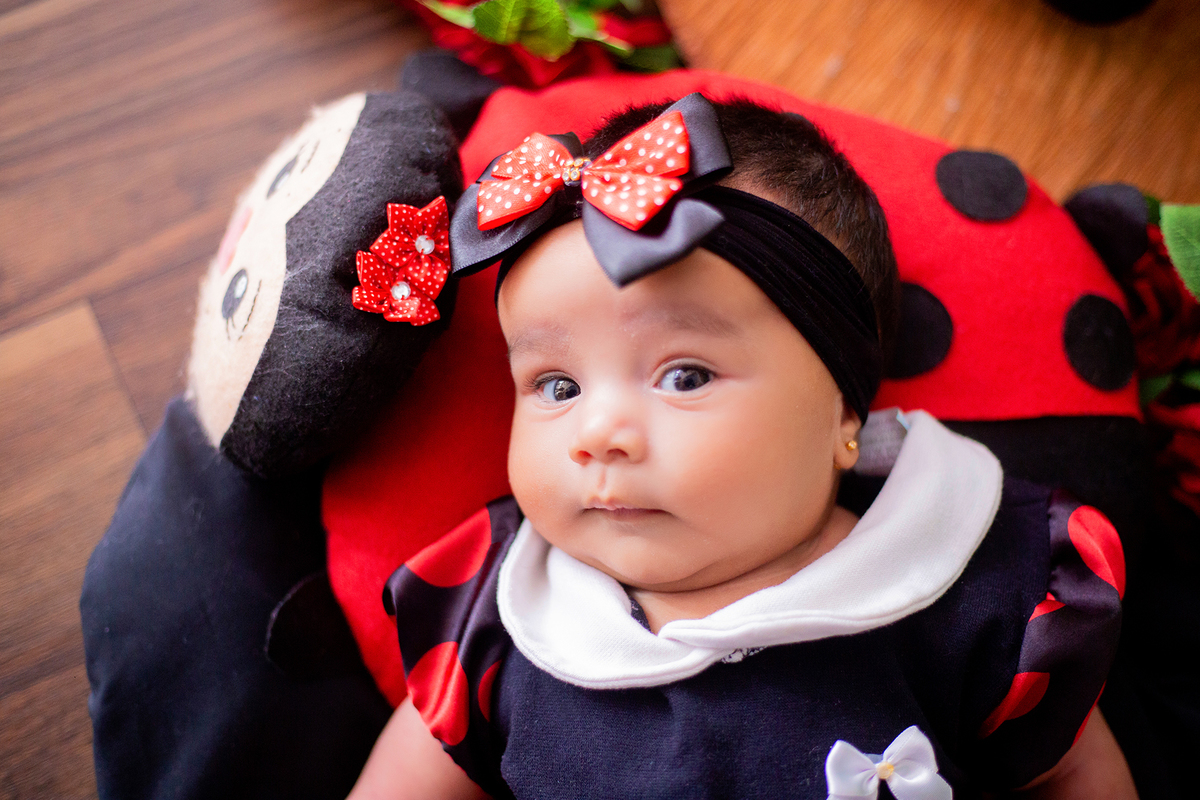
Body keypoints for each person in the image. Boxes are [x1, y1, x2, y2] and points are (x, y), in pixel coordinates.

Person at [347, 94, 1136, 799]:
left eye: (685, 375)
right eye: (557, 388)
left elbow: (1067, 769)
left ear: (840, 412)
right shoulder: (500, 616)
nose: (598, 436)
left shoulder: (972, 586)